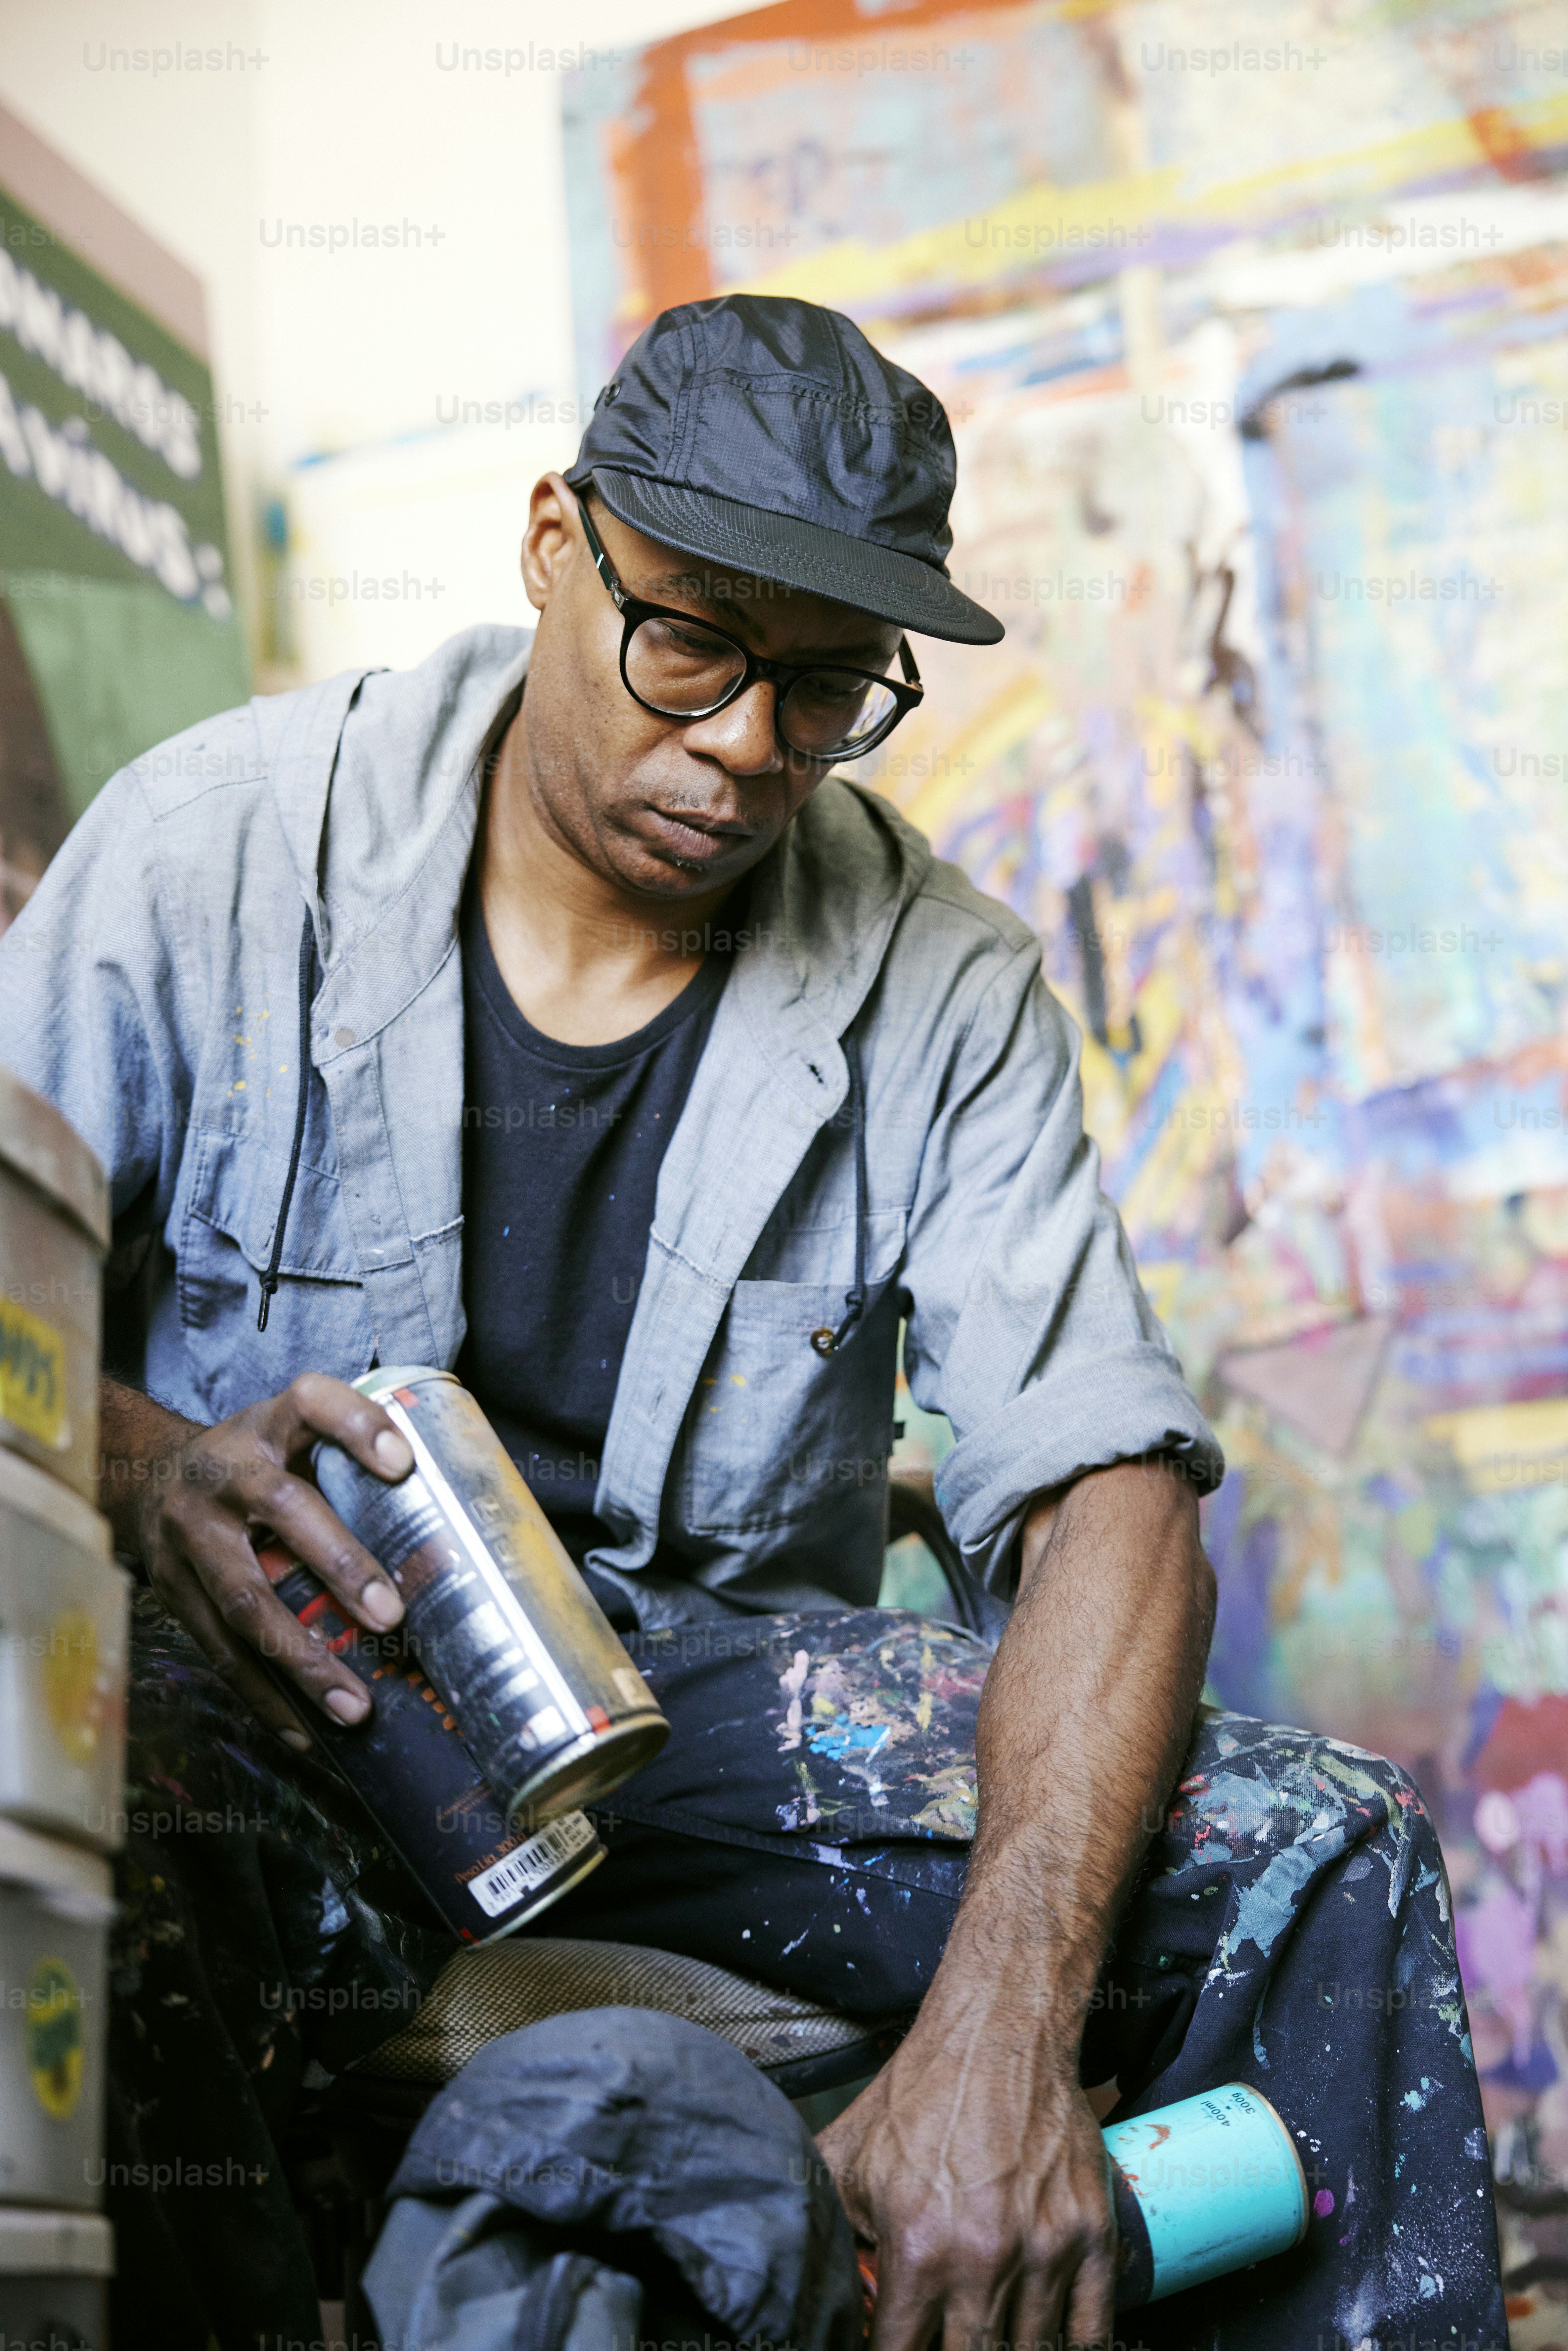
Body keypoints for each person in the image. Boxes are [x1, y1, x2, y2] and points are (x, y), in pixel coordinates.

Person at [0, 294, 1503, 2351]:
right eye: (689, 640)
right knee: (106, 1786)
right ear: (555, 541)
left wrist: (998, 2032)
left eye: (823, 689)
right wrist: (164, 1469)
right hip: (288, 1682)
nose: (742, 745)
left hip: (687, 1730)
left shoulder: (940, 982)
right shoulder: (213, 852)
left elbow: (1110, 1494)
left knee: (1313, 1847)